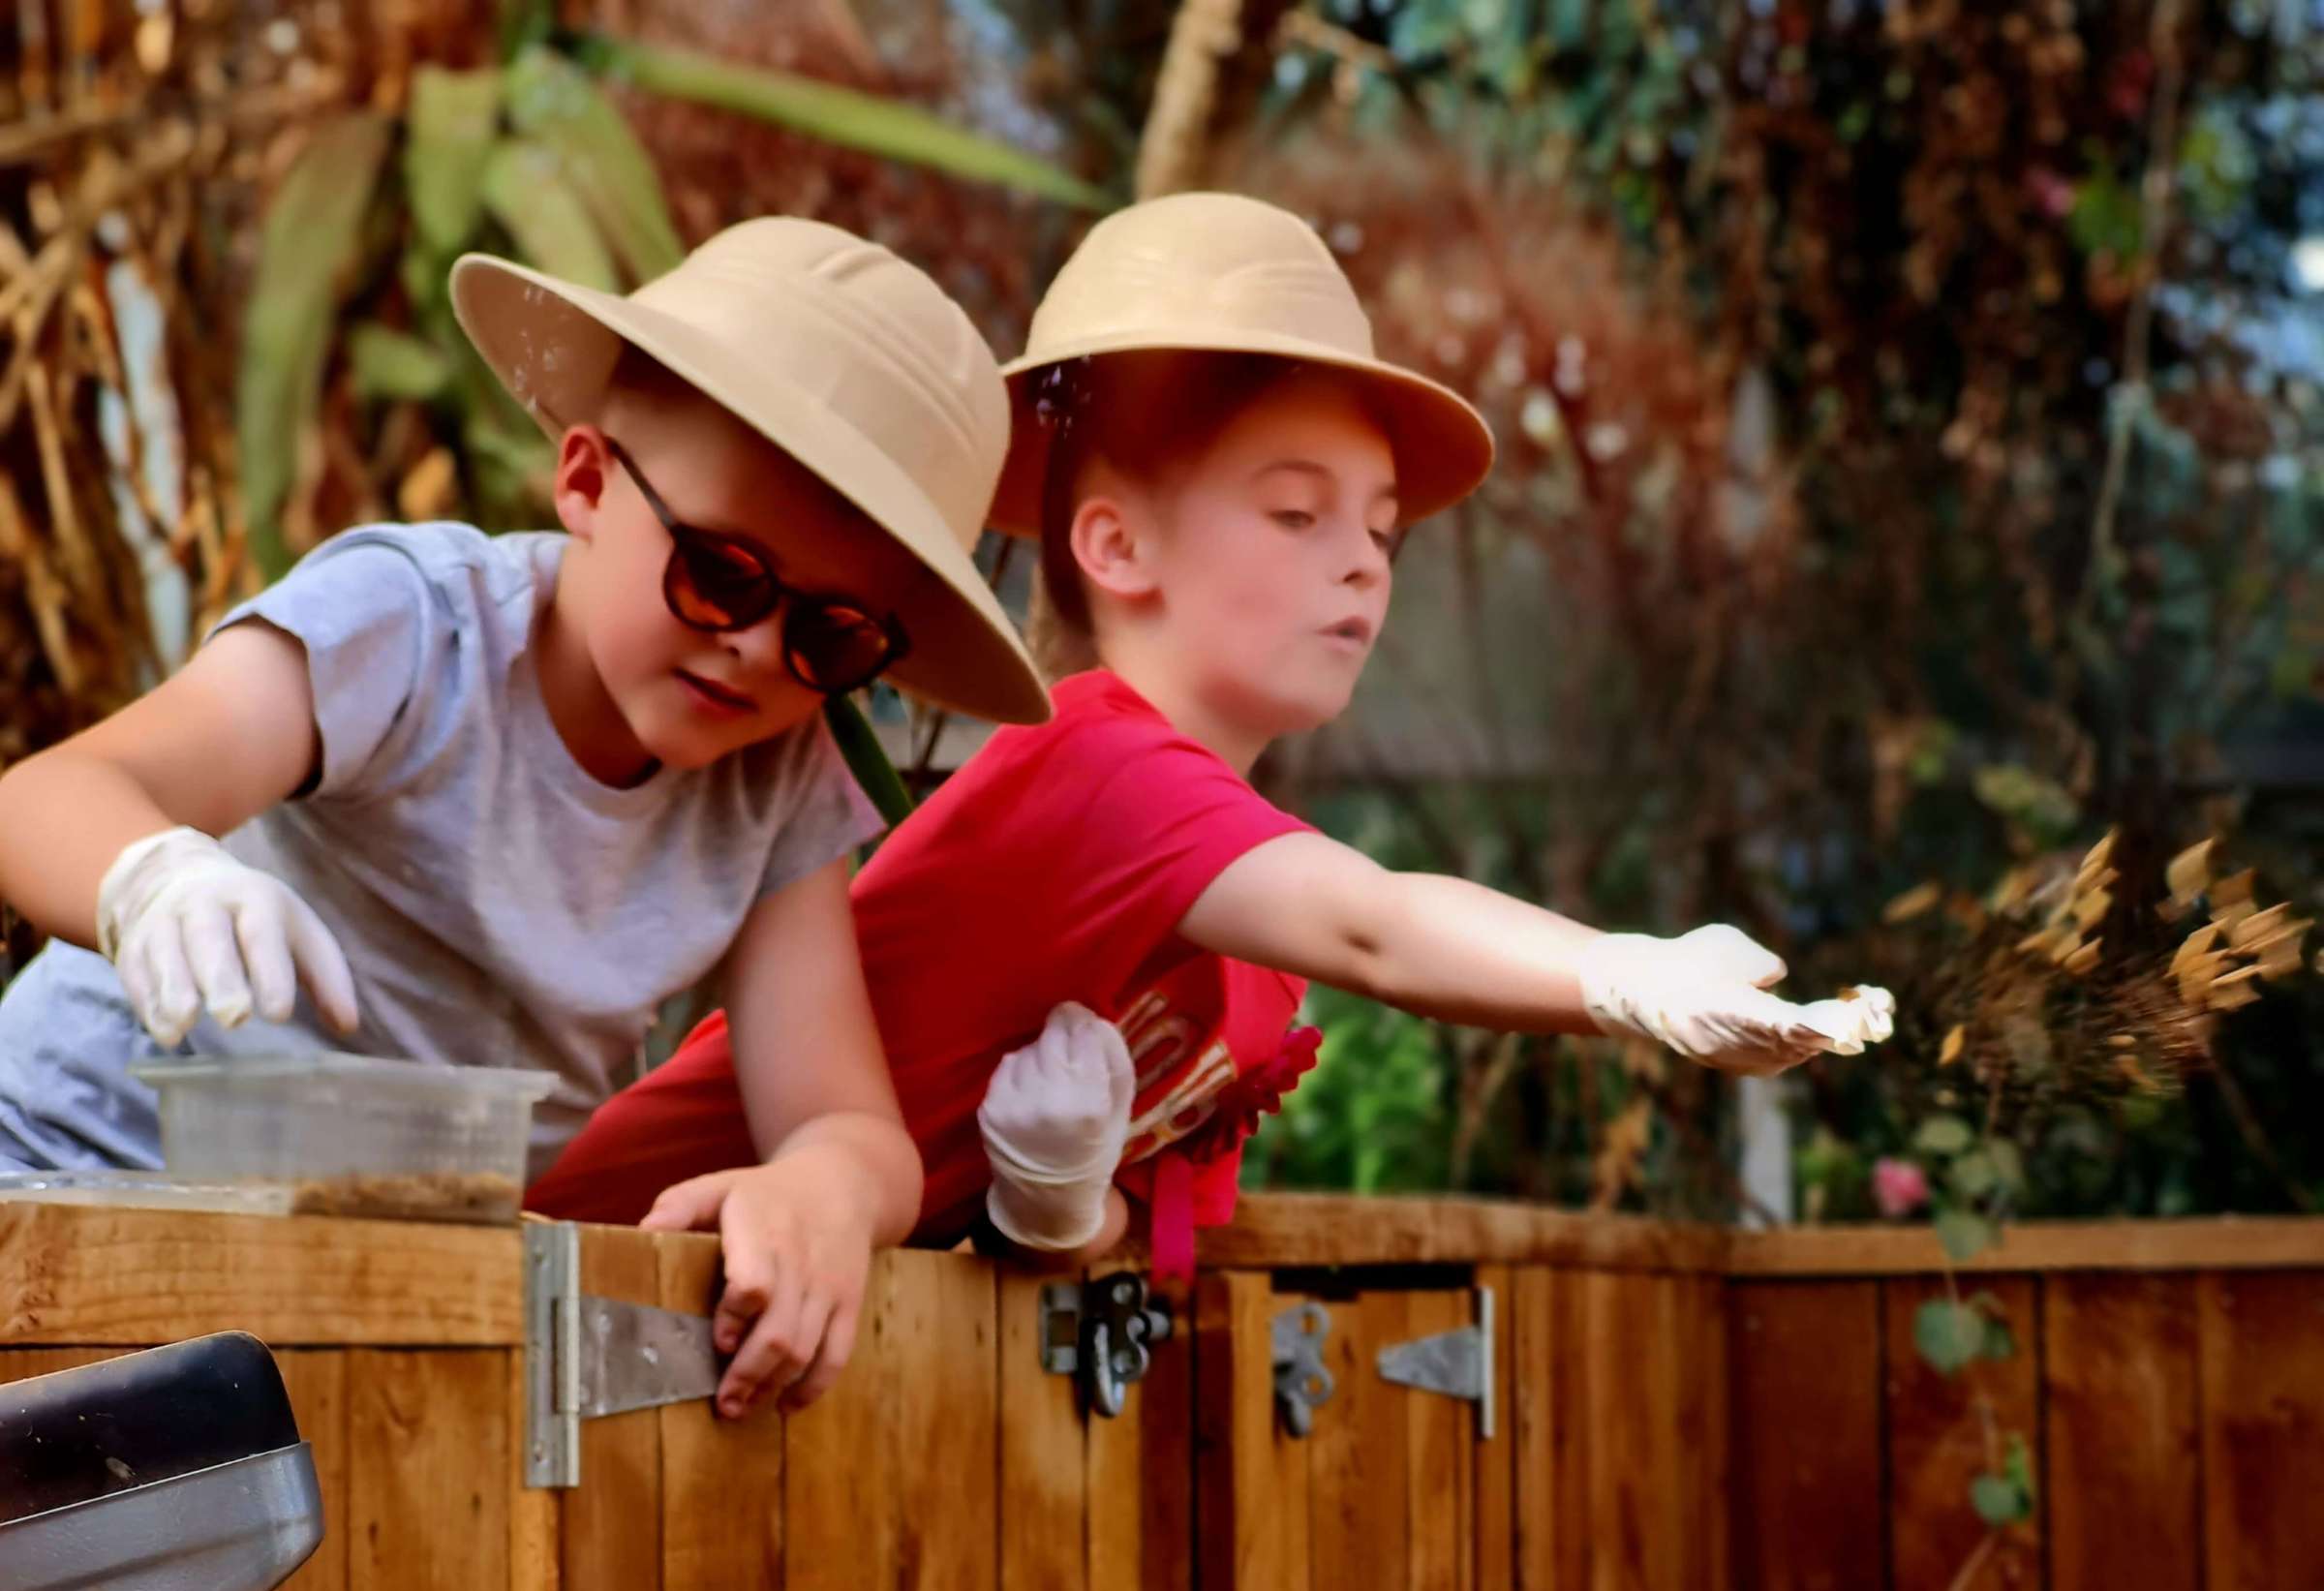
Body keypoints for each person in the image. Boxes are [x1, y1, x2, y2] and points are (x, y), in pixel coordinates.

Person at [525, 194, 1893, 1279]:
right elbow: (1379, 925)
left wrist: (1055, 1211)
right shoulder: (1097, 767)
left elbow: (1137, 1242)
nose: (1361, 566)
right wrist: (1628, 974)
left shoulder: (1252, 960)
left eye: (1381, 530)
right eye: (1297, 514)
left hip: (774, 1319)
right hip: (592, 1269)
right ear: (1113, 543)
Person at [0, 218, 1050, 1414]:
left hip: (365, 1289)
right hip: (57, 1190)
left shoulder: (775, 784)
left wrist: (827, 1191)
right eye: (723, 572)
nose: (756, 649)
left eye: (831, 634)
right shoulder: (414, 626)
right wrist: (152, 878)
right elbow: (45, 797)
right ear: (588, 481)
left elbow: (846, 1122)